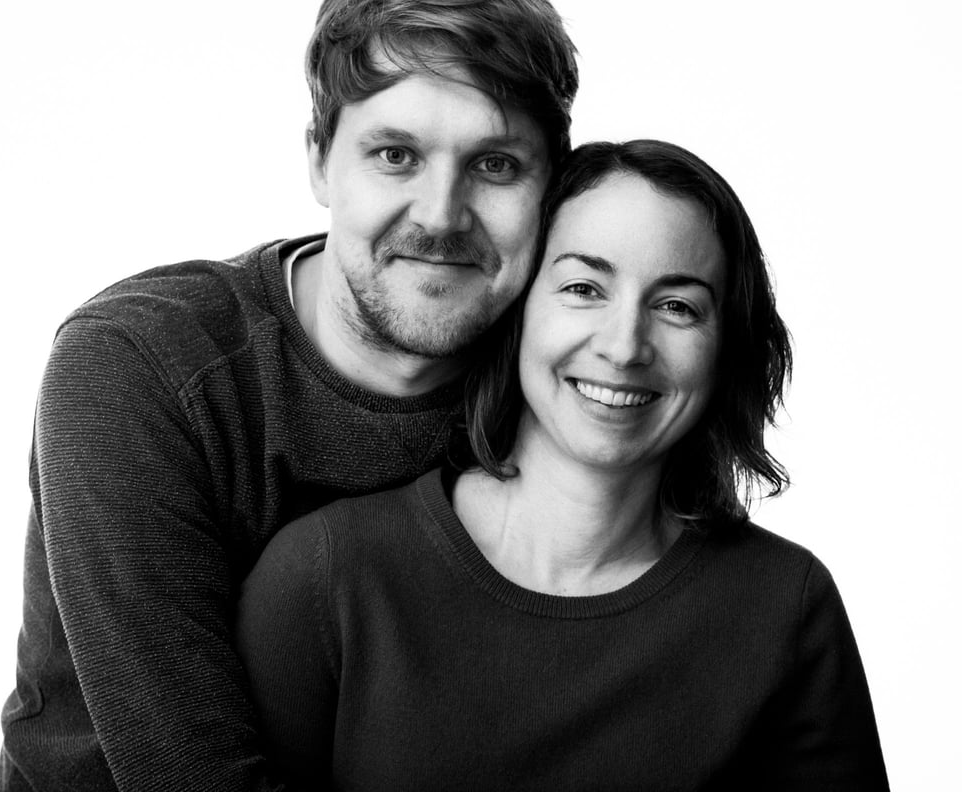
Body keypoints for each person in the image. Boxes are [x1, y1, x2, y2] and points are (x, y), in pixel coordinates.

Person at [0, 2, 579, 790]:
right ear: (318, 162)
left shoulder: (575, 385)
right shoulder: (142, 364)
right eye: (396, 155)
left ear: (551, 188)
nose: (441, 216)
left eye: (496, 164)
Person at [235, 140, 890, 790]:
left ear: (725, 351)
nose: (624, 345)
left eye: (677, 306)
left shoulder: (784, 608)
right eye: (583, 288)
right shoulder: (328, 577)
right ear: (517, 311)